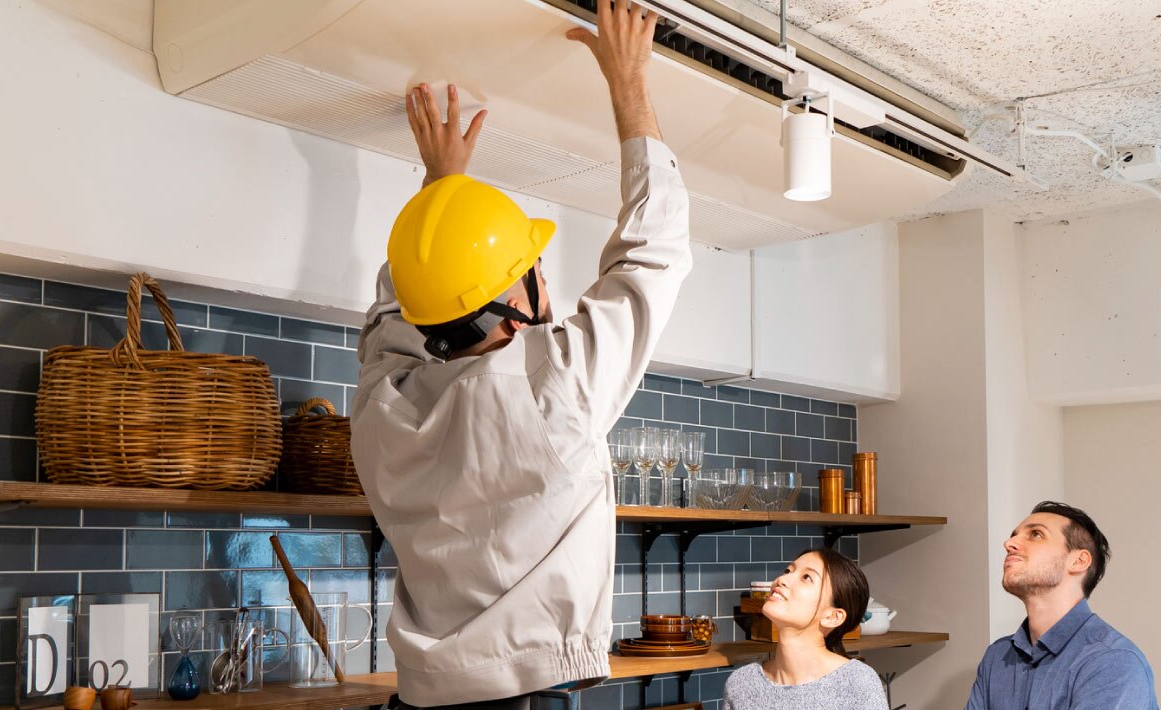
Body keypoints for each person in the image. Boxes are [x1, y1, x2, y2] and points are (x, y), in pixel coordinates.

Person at [351, 3, 691, 707]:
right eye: (531, 267)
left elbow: (402, 307)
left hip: (419, 696)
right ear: (520, 299)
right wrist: (629, 85)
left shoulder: (384, 406)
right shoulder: (550, 381)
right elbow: (651, 255)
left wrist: (445, 193)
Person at [966, 502, 1158, 710]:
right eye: (1014, 535)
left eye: (1036, 534)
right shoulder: (997, 657)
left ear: (1078, 561)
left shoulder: (1113, 662)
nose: (1009, 543)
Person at [724, 548, 889, 709]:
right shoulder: (741, 683)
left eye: (806, 577)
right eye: (788, 571)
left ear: (832, 617)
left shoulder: (858, 683)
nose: (782, 579)